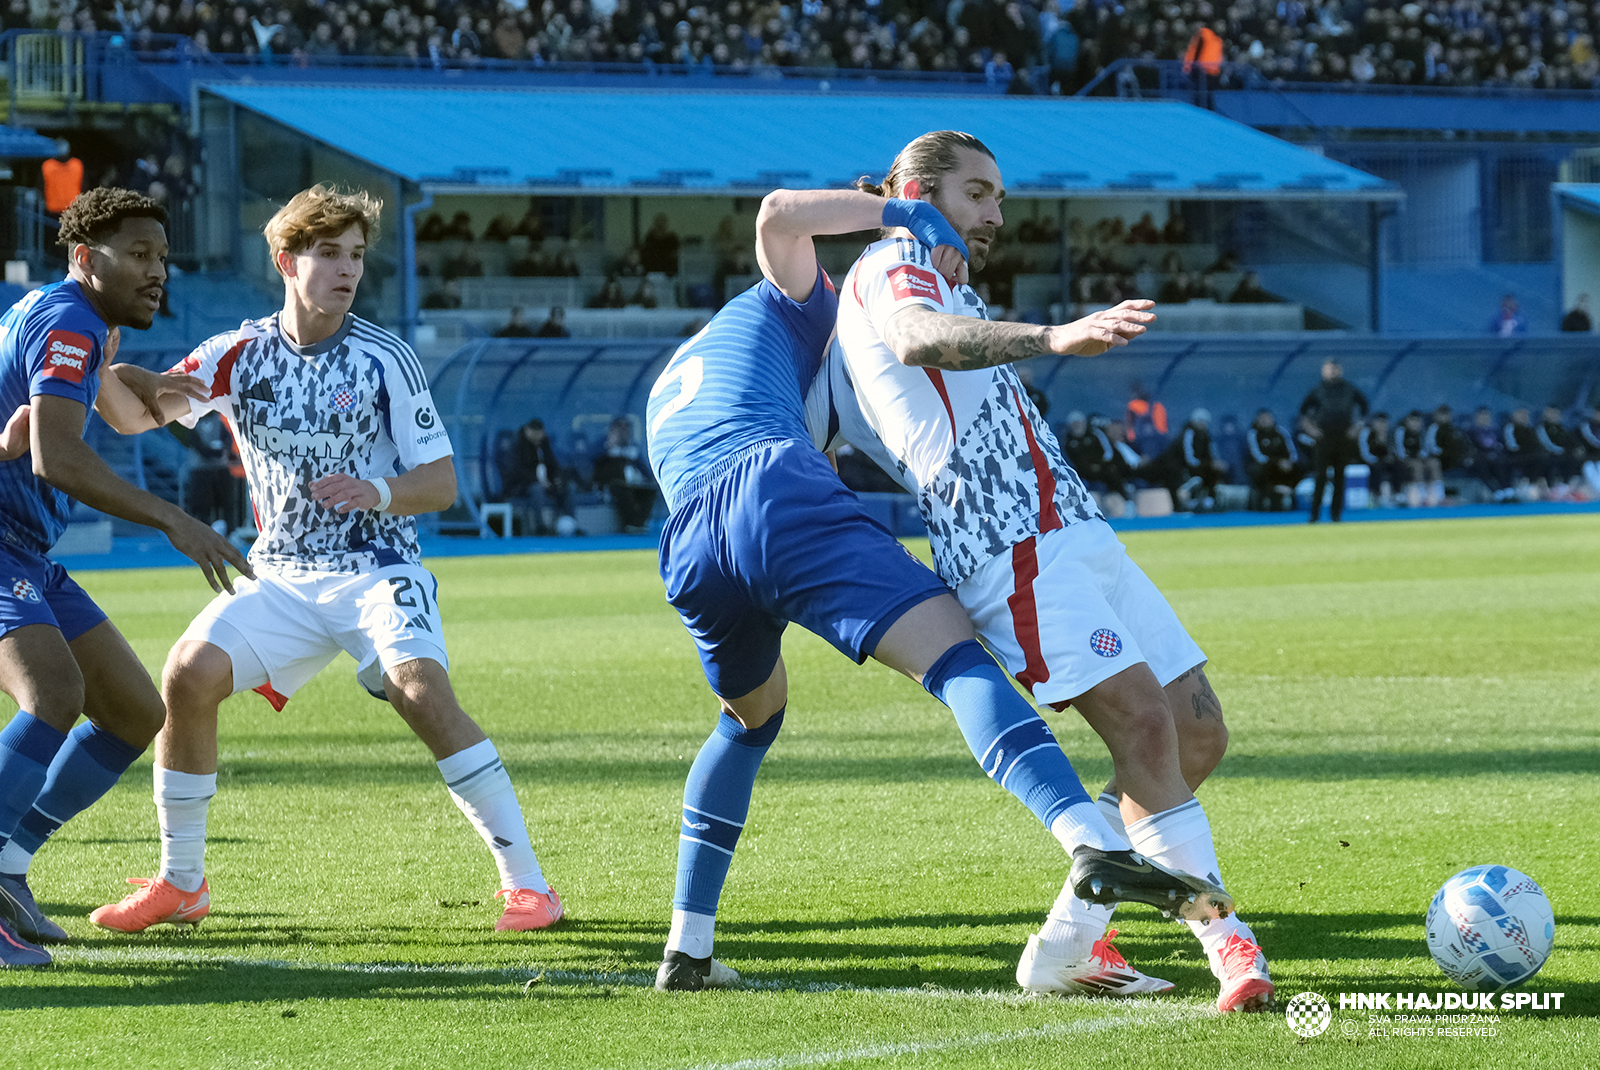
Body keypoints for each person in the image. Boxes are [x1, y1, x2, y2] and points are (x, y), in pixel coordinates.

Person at [646, 184, 1228, 994]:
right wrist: (907, 217)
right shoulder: (799, 300)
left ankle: (688, 949)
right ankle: (1092, 839)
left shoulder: (709, 359)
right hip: (770, 488)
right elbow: (780, 210)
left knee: (750, 719)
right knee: (955, 658)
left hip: (689, 540)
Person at [818, 131, 1268, 1011]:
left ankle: (1066, 944)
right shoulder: (891, 259)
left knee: (1197, 731)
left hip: (1074, 527)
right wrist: (1054, 335)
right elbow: (917, 342)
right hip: (1008, 540)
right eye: (978, 194)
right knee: (1141, 726)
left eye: (999, 200)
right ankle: (1231, 942)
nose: (993, 214)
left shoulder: (945, 268)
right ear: (917, 189)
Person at [86, 185, 562, 936]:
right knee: (186, 675)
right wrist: (104, 363)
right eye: (329, 254)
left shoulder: (386, 359)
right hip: (280, 575)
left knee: (418, 692)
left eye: (357, 257)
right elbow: (133, 415)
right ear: (286, 261)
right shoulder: (236, 355)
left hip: (378, 568)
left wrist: (374, 489)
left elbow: (441, 484)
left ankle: (529, 886)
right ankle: (182, 884)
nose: (347, 271)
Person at [0, 188, 250, 963]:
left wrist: (145, 380)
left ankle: (9, 865)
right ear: (85, 257)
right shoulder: (72, 321)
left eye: (163, 259)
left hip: (26, 549)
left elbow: (95, 410)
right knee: (55, 696)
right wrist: (174, 518)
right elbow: (57, 457)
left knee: (136, 713)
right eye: (139, 256)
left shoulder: (76, 321)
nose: (157, 273)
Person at [1298, 360, 1369, 523]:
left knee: (1339, 476)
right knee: (1321, 476)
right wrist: (1311, 430)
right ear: (1324, 371)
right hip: (1324, 438)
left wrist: (1357, 427)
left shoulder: (1349, 389)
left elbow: (1365, 407)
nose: (1333, 372)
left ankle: (1336, 515)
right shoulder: (1318, 390)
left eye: (1335, 369)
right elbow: (1303, 413)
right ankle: (1314, 515)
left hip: (1344, 437)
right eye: (1329, 369)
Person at [500, 418, 573, 534]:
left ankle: (570, 524)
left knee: (566, 487)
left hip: (545, 484)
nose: (538, 436)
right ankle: (541, 526)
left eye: (540, 432)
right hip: (521, 487)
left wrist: (556, 479)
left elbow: (553, 465)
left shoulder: (544, 445)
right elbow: (517, 471)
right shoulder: (517, 446)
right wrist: (538, 481)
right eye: (534, 432)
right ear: (527, 431)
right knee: (537, 489)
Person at [591, 416, 656, 533]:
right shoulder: (602, 446)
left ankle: (639, 523)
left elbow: (645, 470)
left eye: (626, 430)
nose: (623, 433)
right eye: (619, 429)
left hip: (634, 484)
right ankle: (631, 523)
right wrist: (610, 448)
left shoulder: (633, 448)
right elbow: (592, 463)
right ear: (612, 431)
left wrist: (650, 479)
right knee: (621, 490)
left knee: (649, 491)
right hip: (611, 484)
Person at [1244, 408, 1299, 511]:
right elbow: (1258, 457)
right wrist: (1277, 462)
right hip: (1265, 468)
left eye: (1267, 418)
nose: (1265, 420)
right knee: (1259, 470)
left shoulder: (1281, 431)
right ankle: (1271, 492)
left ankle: (1292, 494)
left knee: (1299, 468)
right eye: (1262, 418)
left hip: (1284, 467)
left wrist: (1288, 463)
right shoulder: (1253, 434)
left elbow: (1292, 453)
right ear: (1257, 420)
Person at [1393, 409, 1442, 507]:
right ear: (1408, 421)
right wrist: (1409, 458)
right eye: (1413, 421)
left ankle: (1439, 493)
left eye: (1418, 421)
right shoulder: (1401, 431)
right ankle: (1422, 494)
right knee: (1417, 465)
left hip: (1420, 458)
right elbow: (1399, 450)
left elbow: (1425, 449)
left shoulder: (1422, 432)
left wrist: (1422, 456)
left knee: (1434, 463)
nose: (1416, 424)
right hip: (1404, 461)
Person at [1357, 412, 1398, 507]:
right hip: (1367, 460)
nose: (1383, 425)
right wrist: (1374, 459)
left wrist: (1383, 442)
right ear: (1374, 422)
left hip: (1382, 461)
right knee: (1378, 468)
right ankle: (1375, 495)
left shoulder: (1389, 434)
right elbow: (1364, 451)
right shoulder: (1366, 432)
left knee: (1397, 465)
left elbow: (1391, 452)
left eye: (1385, 423)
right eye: (1380, 422)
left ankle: (1396, 493)